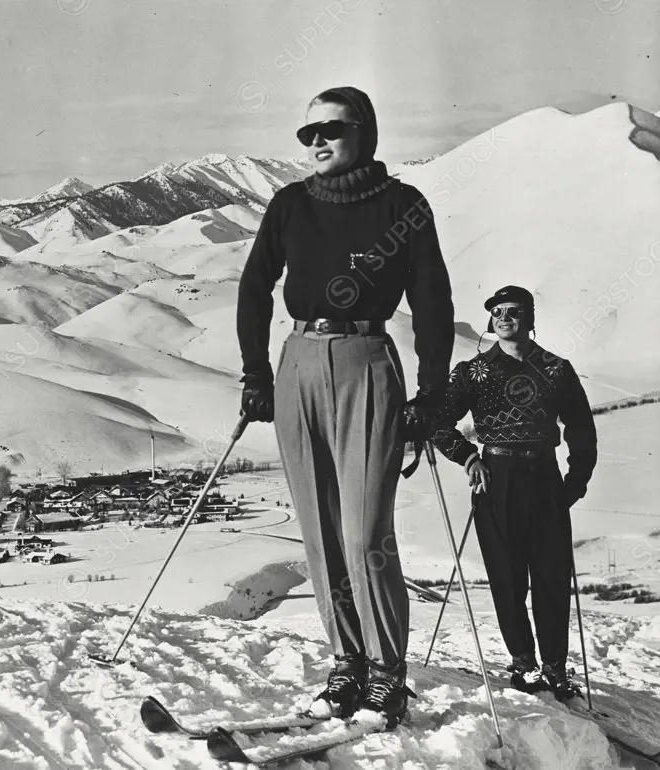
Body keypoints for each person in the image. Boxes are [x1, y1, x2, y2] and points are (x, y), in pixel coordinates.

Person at [236, 86, 455, 726]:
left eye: (332, 128)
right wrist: (255, 372)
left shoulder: (402, 205)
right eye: (307, 133)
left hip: (367, 361)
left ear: (366, 131)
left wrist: (433, 389)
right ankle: (346, 664)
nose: (318, 141)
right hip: (298, 361)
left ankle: (388, 673)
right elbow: (254, 288)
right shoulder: (290, 205)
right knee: (320, 533)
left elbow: (433, 302)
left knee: (364, 534)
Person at [429, 286, 597, 700]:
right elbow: (437, 423)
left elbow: (581, 429)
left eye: (514, 311)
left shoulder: (557, 369)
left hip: (545, 477)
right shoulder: (473, 372)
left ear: (531, 316)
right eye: (497, 311)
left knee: (553, 578)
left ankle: (556, 669)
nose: (504, 317)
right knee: (507, 580)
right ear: (490, 321)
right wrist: (469, 457)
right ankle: (524, 665)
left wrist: (575, 482)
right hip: (496, 477)